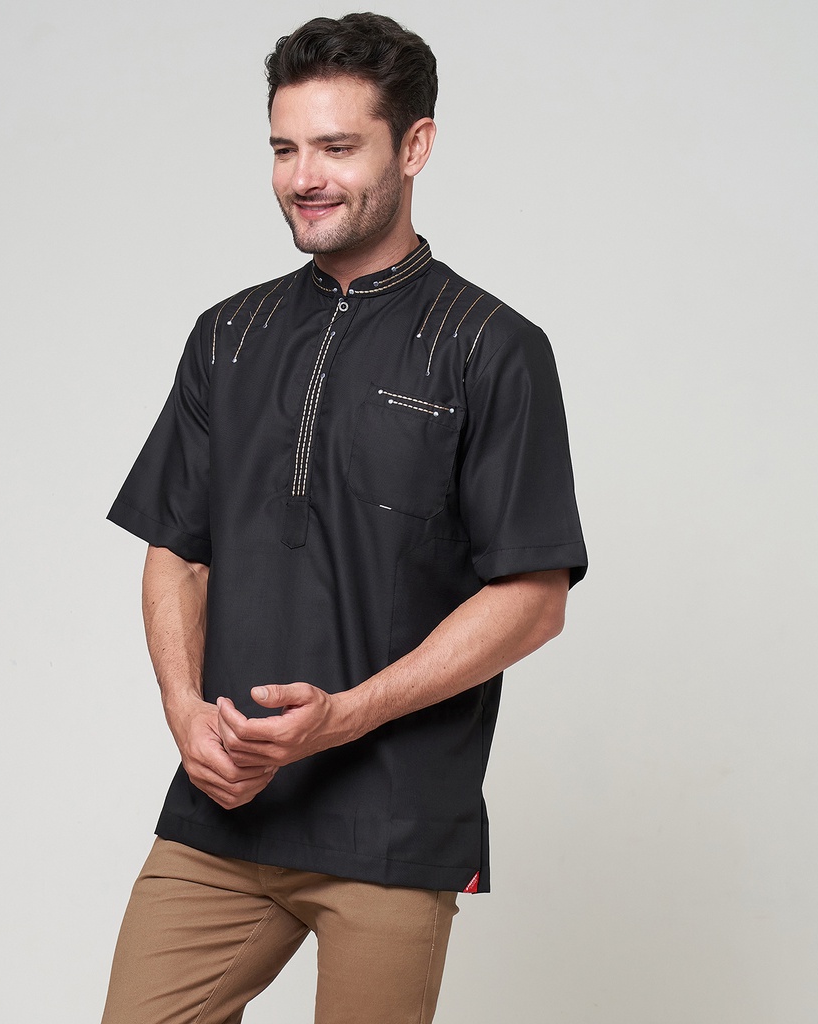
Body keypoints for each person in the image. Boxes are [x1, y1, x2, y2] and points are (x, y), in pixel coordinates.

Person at [101, 12, 587, 1024]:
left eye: (335, 147)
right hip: (223, 813)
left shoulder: (492, 347)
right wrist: (185, 714)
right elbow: (176, 553)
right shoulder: (226, 336)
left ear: (414, 146)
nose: (303, 176)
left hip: (393, 826)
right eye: (284, 149)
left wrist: (345, 716)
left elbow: (533, 599)